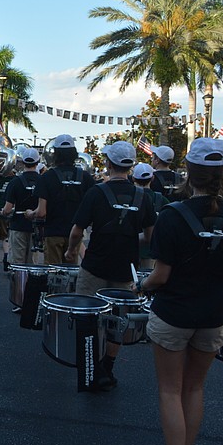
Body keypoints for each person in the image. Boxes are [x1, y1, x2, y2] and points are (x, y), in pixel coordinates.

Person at [135, 138, 223, 445]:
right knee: (195, 388)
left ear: (189, 171)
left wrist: (143, 286)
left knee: (170, 390)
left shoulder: (172, 216)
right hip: (215, 314)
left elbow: (161, 276)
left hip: (173, 314)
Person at [65, 141, 155, 390]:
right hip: (125, 268)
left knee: (88, 316)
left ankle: (90, 368)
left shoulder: (96, 192)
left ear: (108, 162)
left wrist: (73, 250)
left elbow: (77, 230)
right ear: (131, 165)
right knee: (118, 319)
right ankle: (108, 368)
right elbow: (149, 236)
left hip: (95, 264)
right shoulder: (143, 197)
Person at [30, 134, 95, 264]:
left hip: (53, 232)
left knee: (53, 274)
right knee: (70, 274)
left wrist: (30, 213)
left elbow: (41, 213)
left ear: (55, 154)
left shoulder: (46, 177)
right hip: (75, 233)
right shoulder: (86, 177)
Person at [7, 148, 42, 264]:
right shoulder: (43, 181)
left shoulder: (14, 182)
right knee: (32, 262)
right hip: (37, 227)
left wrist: (4, 212)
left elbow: (7, 208)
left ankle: (18, 282)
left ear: (23, 162)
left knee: (17, 262)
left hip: (18, 225)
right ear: (37, 162)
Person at [132, 163, 168, 269]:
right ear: (152, 178)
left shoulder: (129, 197)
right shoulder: (161, 200)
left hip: (129, 250)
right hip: (151, 252)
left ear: (133, 178)